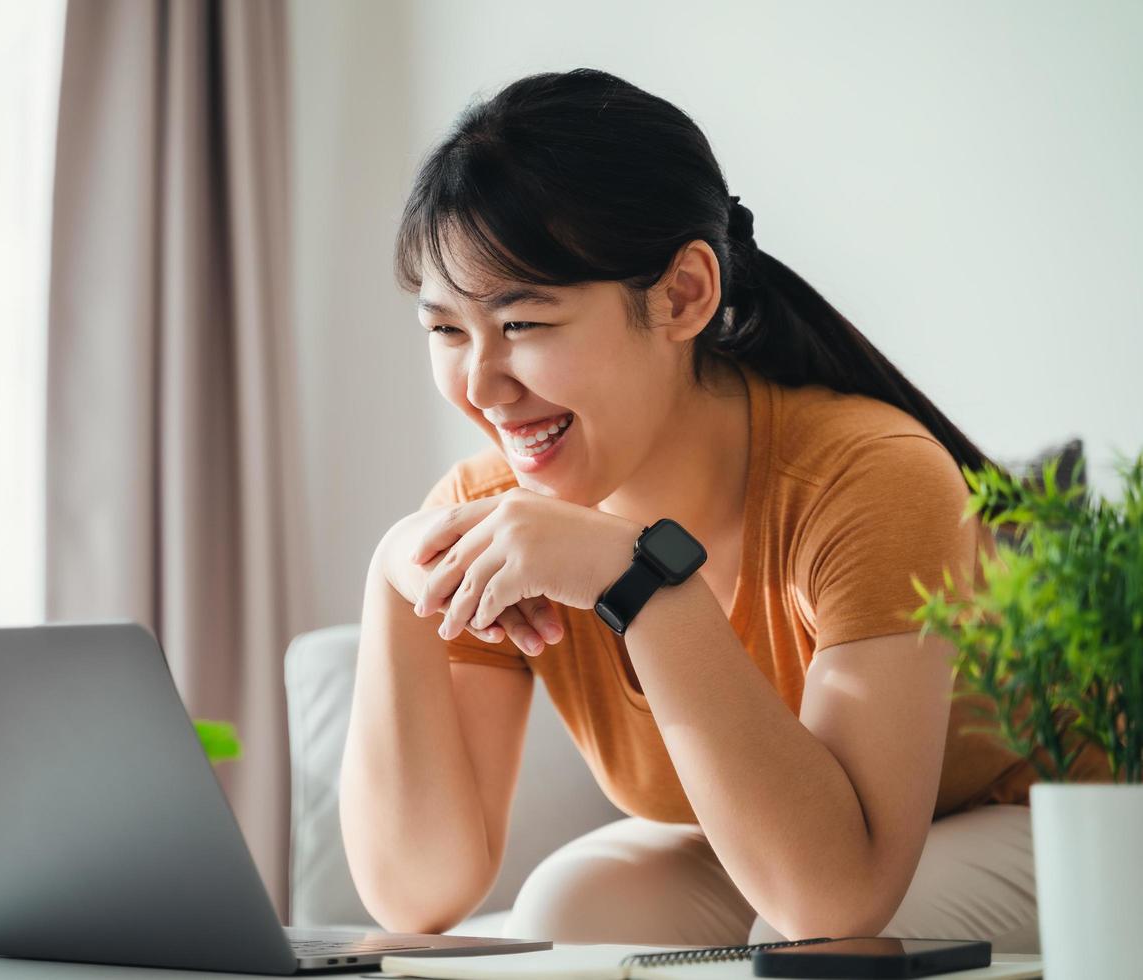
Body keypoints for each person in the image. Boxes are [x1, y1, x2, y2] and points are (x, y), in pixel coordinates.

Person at [338, 68, 1096, 954]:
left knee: (805, 949)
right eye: (445, 331)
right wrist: (393, 584)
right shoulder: (494, 516)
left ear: (684, 294)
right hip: (799, 848)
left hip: (1054, 824)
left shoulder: (869, 479)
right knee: (566, 912)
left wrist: (641, 581)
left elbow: (834, 899)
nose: (479, 387)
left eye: (522, 325)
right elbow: (416, 896)